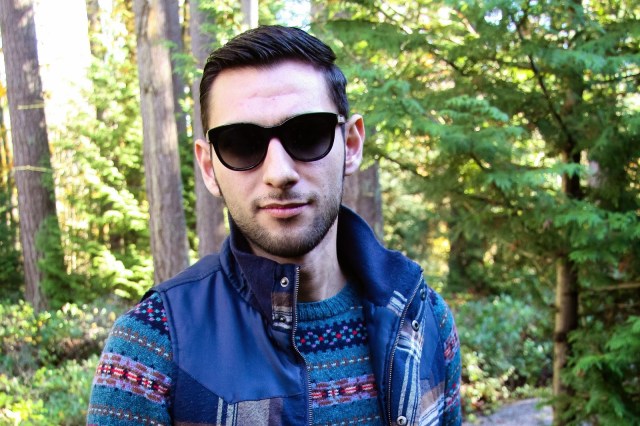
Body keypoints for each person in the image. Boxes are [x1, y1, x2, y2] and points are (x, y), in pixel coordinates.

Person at [87, 25, 461, 426]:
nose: (279, 173)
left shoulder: (425, 319)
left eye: (308, 134)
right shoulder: (150, 348)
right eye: (241, 143)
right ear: (209, 167)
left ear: (351, 145)